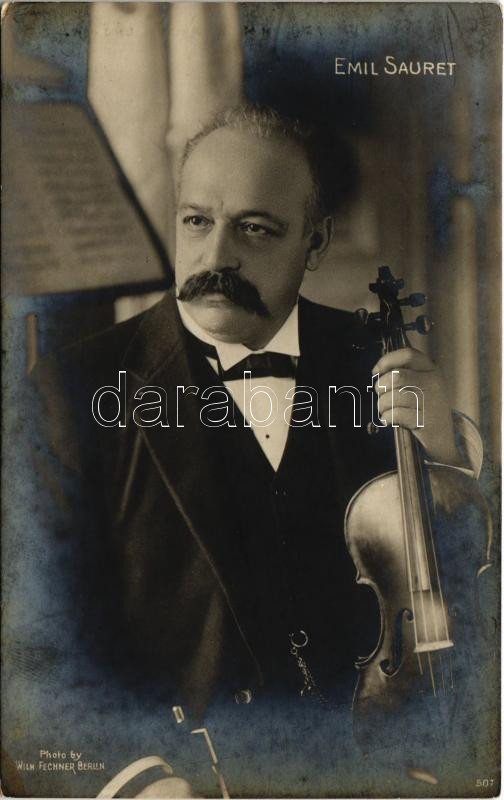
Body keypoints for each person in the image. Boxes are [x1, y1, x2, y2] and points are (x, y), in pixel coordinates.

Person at [20, 105, 486, 795]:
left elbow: (465, 590)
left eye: (255, 229)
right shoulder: (68, 390)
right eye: (196, 222)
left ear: (315, 243)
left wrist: (446, 455)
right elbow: (37, 651)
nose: (215, 259)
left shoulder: (376, 361)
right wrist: (137, 780)